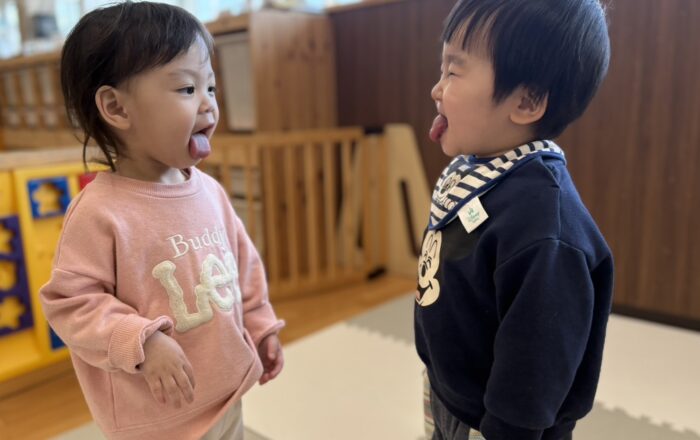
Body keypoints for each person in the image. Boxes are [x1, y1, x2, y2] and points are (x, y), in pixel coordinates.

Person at [40, 2, 284, 439]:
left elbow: (242, 267)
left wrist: (261, 325)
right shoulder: (99, 212)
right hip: (156, 416)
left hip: (225, 390)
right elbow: (71, 304)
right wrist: (143, 340)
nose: (209, 105)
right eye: (188, 89)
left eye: (211, 87)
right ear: (116, 108)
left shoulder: (209, 192)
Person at [414, 1, 614, 439]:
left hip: (495, 422)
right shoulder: (479, 171)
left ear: (526, 101)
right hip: (449, 390)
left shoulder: (546, 231)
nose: (436, 88)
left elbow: (536, 367)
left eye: (454, 71)